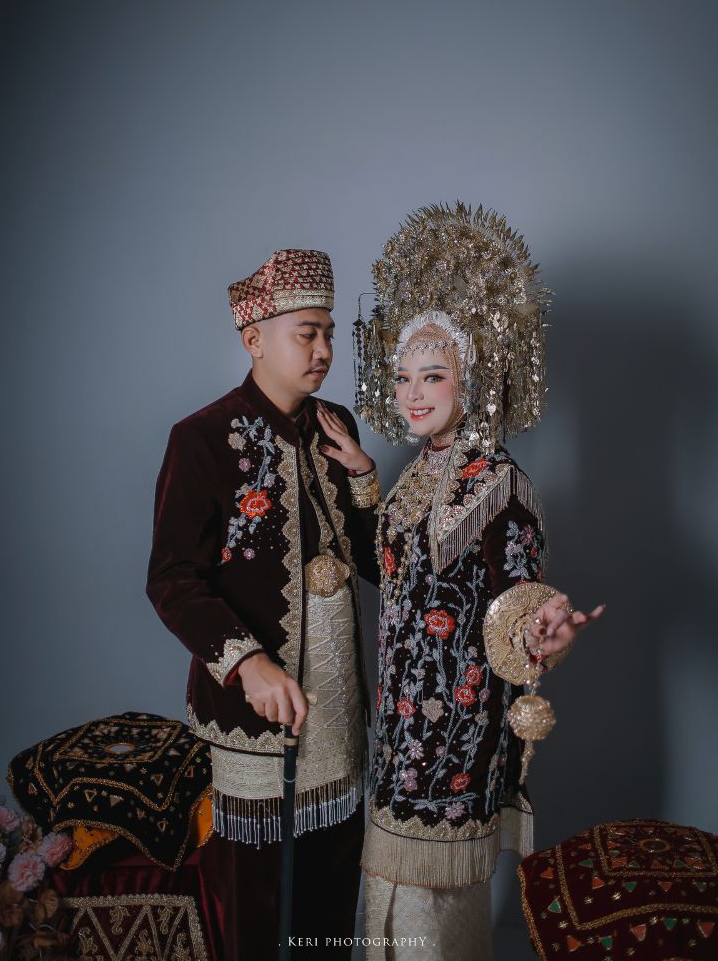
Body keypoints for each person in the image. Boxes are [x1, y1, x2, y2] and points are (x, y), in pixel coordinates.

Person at [339, 203, 605, 960]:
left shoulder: (500, 483)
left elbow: (517, 597)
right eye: (403, 377)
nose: (412, 394)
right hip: (398, 728)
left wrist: (541, 629)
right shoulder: (415, 474)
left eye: (433, 376)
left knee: (432, 920)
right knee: (386, 905)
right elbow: (391, 578)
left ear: (472, 378)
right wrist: (362, 479)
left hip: (456, 732)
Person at [146, 248, 381, 960]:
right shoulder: (202, 438)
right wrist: (247, 663)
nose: (324, 350)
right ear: (254, 339)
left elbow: (376, 564)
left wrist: (364, 480)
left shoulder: (336, 424)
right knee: (250, 904)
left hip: (336, 707)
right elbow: (172, 579)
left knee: (329, 901)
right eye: (307, 333)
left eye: (329, 333)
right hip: (252, 710)